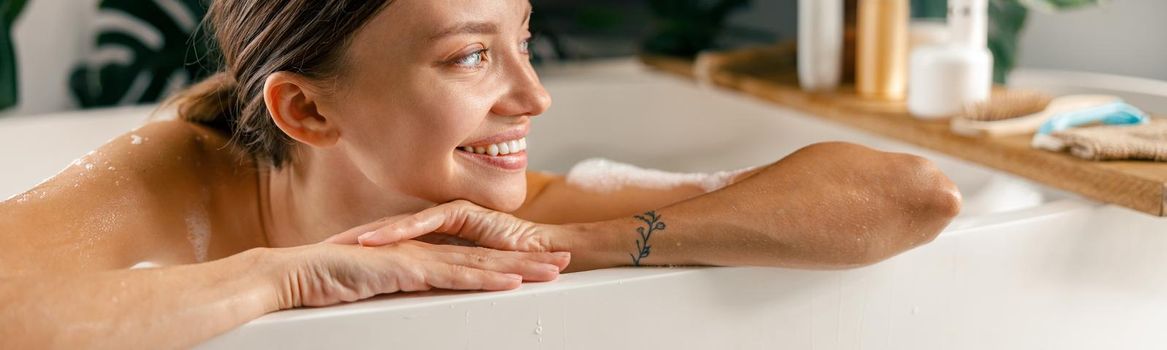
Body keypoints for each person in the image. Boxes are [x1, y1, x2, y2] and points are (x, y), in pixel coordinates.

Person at [0, 0, 962, 348]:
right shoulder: (173, 179)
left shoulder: (509, 213)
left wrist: (568, 244)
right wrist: (284, 275)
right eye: (469, 56)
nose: (535, 97)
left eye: (524, 41)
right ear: (308, 110)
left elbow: (914, 194)